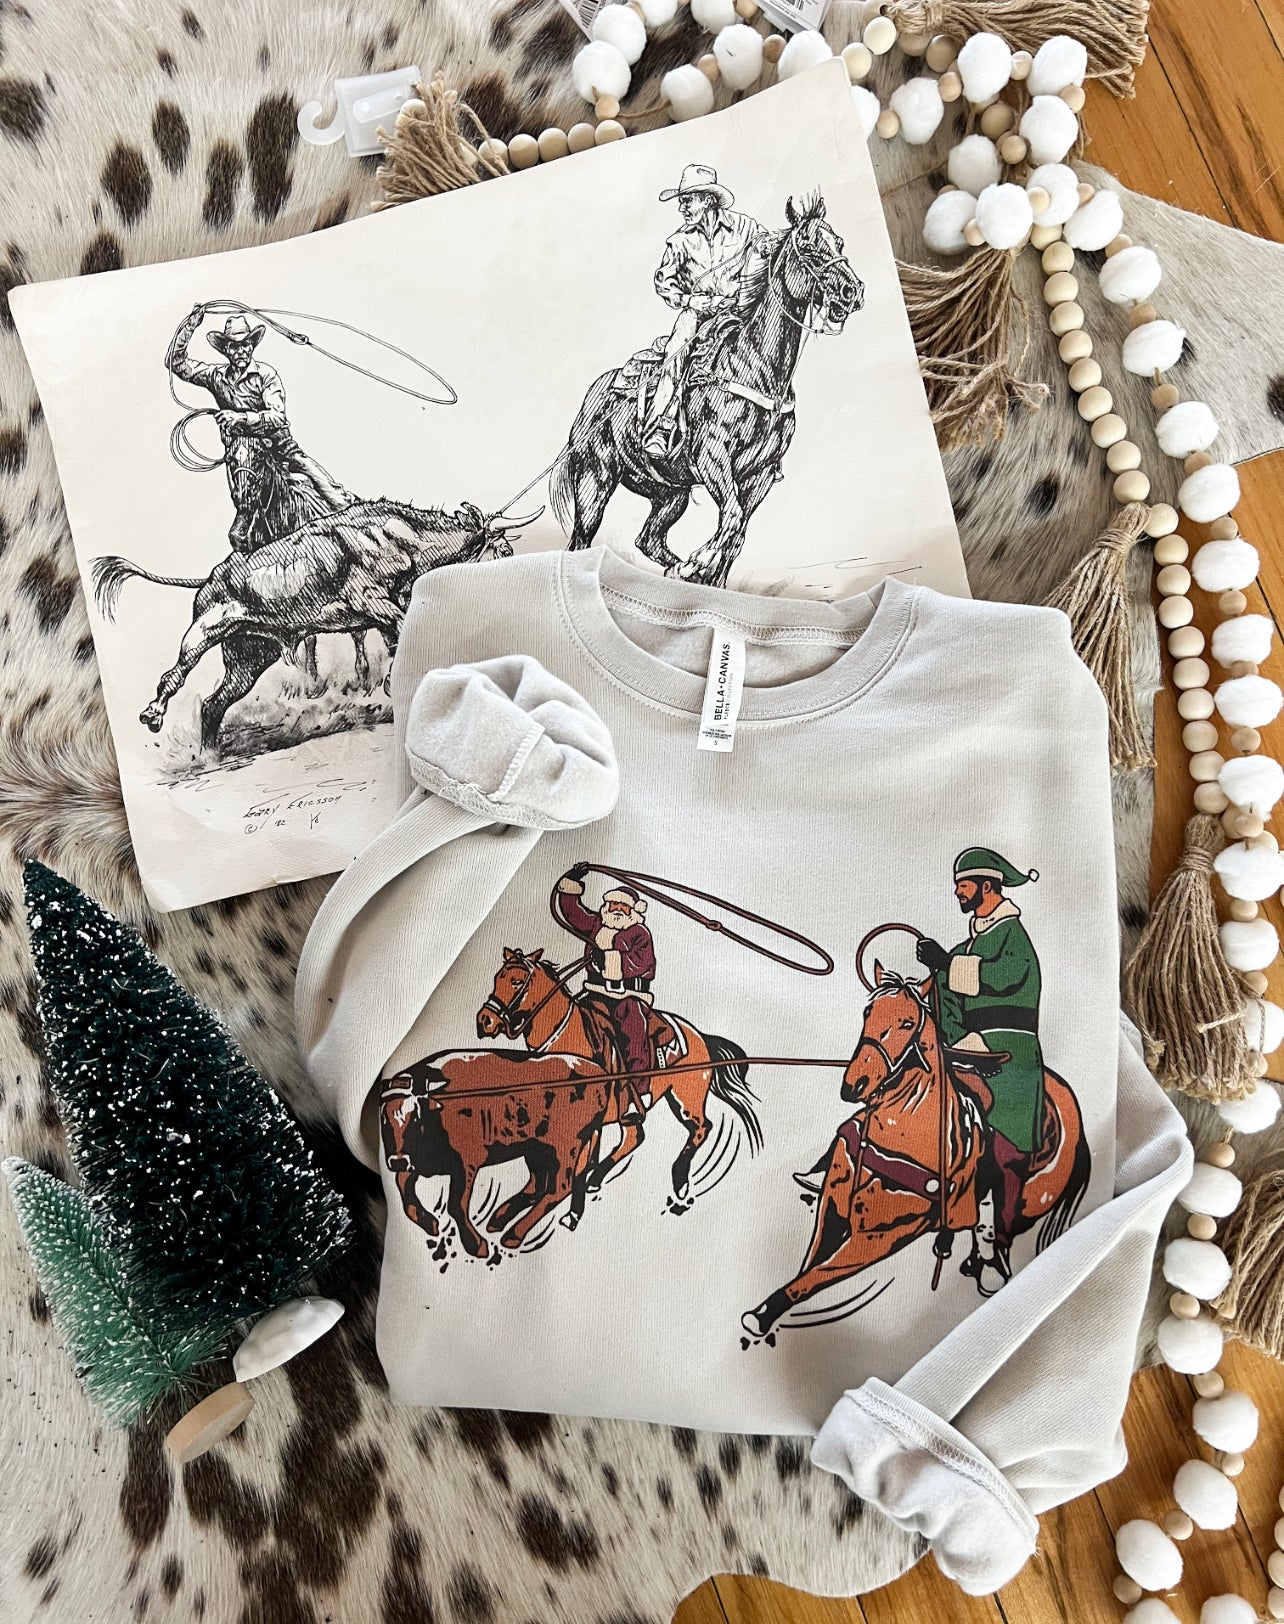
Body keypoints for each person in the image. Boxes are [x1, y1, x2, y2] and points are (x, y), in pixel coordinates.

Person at [914, 848, 1045, 1292]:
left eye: (963, 885)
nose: (957, 892)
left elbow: (1004, 976)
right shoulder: (971, 944)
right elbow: (944, 988)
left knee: (1005, 1155)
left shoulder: (1012, 936)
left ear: (988, 887)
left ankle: (996, 1249)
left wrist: (946, 965)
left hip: (1010, 1048)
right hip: (969, 1046)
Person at [166, 306, 352, 551]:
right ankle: (245, 514)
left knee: (315, 476)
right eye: (234, 346)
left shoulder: (266, 375)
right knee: (242, 483)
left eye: (245, 345)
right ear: (226, 350)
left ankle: (346, 508)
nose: (241, 351)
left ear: (252, 346)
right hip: (242, 451)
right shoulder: (215, 376)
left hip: (278, 446)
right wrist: (190, 325)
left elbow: (278, 417)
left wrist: (241, 418)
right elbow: (176, 363)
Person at [642, 165, 767, 456]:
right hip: (697, 315)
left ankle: (769, 428)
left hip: (739, 310)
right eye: (681, 202)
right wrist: (689, 300)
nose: (681, 208)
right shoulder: (679, 241)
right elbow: (664, 281)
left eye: (687, 201)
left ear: (708, 200)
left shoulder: (747, 228)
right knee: (676, 351)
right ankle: (661, 425)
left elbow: (768, 251)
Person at [552, 866, 657, 1124]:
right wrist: (572, 883)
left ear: (633, 911)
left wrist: (609, 959)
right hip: (596, 993)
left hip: (629, 996)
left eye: (623, 907)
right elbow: (573, 912)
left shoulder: (640, 934)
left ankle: (636, 1093)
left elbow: (639, 963)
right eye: (613, 905)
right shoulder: (597, 925)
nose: (617, 910)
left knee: (633, 1031)